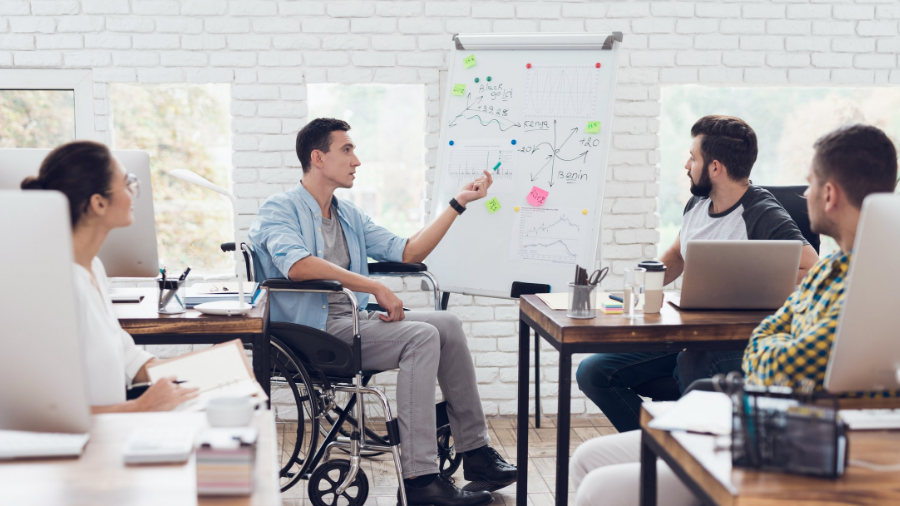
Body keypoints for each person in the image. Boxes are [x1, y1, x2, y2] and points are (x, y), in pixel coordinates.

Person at [570, 124, 899, 506]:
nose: (803, 194)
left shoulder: (857, 279)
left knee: (690, 370)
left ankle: (678, 448)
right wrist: (639, 287)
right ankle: (671, 446)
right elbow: (773, 338)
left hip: (780, 419)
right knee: (591, 418)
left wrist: (766, 327)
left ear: (829, 194)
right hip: (714, 358)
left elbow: (780, 360)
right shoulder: (830, 270)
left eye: (809, 184)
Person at [248, 118, 515, 506]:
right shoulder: (280, 209)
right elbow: (297, 265)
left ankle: (475, 455)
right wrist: (373, 285)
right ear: (317, 157)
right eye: (347, 150)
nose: (357, 160)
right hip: (310, 332)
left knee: (448, 324)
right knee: (422, 336)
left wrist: (458, 203)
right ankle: (421, 480)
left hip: (352, 323)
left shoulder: (348, 216)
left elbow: (409, 252)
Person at [575, 115, 819, 432]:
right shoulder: (698, 204)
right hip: (688, 334)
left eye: (693, 158)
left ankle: (692, 454)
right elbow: (678, 253)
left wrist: (743, 283)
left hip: (736, 341)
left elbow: (811, 267)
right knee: (594, 372)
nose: (687, 165)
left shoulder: (761, 211)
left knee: (692, 364)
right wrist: (640, 287)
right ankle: (661, 449)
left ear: (715, 167)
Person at [20, 141, 199, 413]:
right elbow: (40, 413)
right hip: (83, 449)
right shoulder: (54, 286)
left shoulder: (94, 268)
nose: (133, 193)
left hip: (110, 437)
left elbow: (127, 357)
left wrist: (209, 373)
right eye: (127, 184)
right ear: (99, 203)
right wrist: (141, 407)